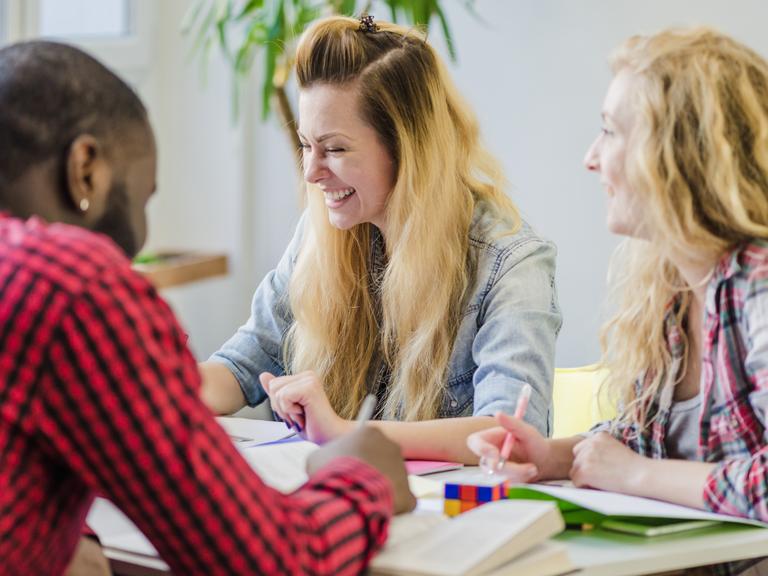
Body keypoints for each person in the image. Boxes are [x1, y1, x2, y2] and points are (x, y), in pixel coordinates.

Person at [0, 40, 415, 576]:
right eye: (144, 196)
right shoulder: (69, 285)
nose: (314, 172)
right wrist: (363, 479)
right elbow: (272, 561)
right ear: (86, 169)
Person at [200, 15, 562, 463]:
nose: (312, 172)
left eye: (334, 149)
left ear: (408, 148)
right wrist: (153, 391)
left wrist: (347, 432)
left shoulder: (511, 263)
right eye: (306, 145)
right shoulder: (322, 236)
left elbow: (511, 436)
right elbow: (239, 366)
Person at [469, 26, 768, 526]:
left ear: (675, 155)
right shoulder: (668, 285)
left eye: (609, 131)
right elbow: (643, 439)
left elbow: (638, 466)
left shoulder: (757, 285)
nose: (591, 158)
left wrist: (635, 476)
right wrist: (551, 458)